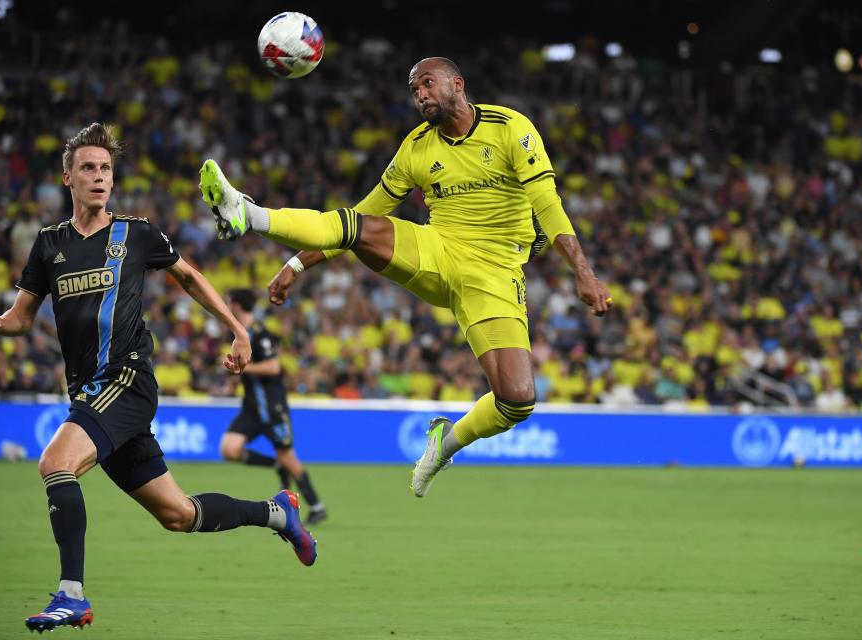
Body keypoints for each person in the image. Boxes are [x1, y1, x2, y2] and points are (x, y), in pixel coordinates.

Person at [199, 57, 611, 498]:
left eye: (427, 84)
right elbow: (362, 213)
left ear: (458, 83)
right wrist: (296, 264)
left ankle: (444, 443)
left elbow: (548, 204)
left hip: (495, 274)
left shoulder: (510, 128)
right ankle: (250, 213)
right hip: (438, 251)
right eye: (415, 90)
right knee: (359, 227)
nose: (420, 95)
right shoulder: (416, 147)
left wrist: (583, 274)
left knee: (516, 399)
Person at [0, 123, 317, 634]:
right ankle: (278, 512)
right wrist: (1, 324)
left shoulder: (136, 234)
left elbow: (190, 278)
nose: (98, 177)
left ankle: (71, 595)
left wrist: (237, 329)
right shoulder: (50, 245)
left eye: (105, 169)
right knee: (178, 515)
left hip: (127, 380)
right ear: (68, 177)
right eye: (88, 168)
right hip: (89, 393)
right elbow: (24, 316)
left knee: (55, 462)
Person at [220, 288, 328, 525]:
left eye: (230, 302)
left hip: (272, 408)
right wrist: (232, 381)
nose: (228, 306)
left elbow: (273, 367)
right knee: (229, 448)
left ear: (237, 305)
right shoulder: (240, 335)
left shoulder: (259, 333)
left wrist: (243, 369)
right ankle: (275, 464)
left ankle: (317, 506)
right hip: (251, 408)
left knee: (290, 457)